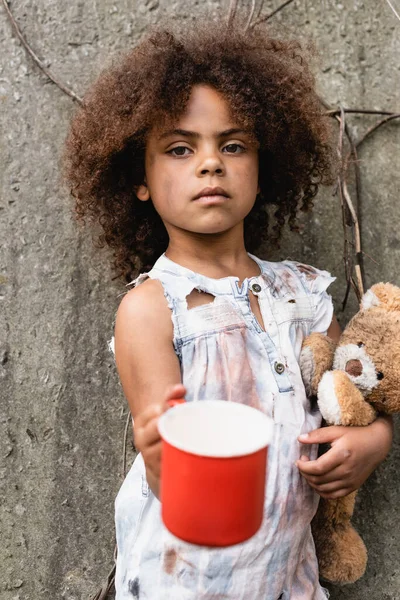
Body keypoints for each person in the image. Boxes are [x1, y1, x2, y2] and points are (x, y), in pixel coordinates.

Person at [63, 21, 393, 600]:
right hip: (181, 578)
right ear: (139, 179)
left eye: (233, 145)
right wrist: (164, 455)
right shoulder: (152, 309)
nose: (210, 163)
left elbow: (350, 399)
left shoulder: (304, 296)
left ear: (263, 169)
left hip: (286, 574)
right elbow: (169, 470)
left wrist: (374, 442)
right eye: (180, 148)